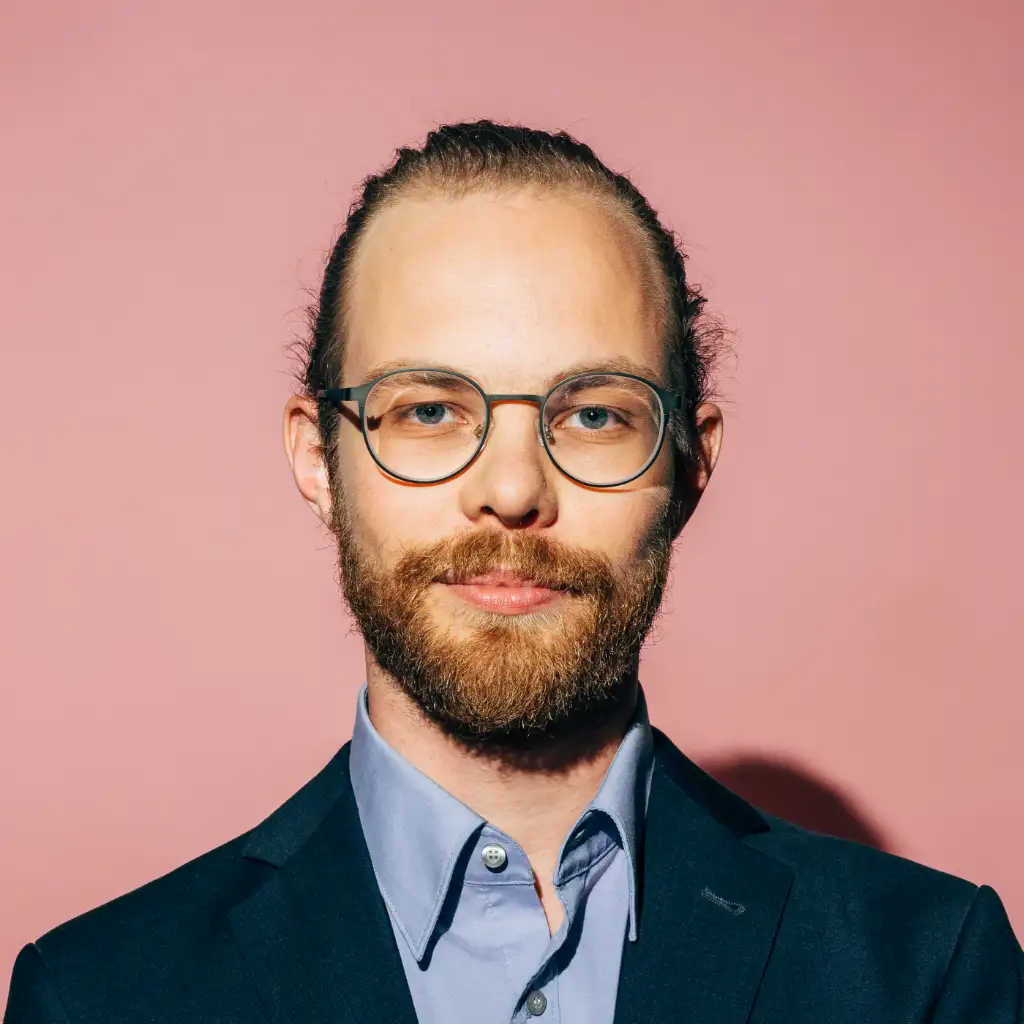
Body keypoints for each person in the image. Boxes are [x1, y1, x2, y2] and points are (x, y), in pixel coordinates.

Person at [5, 120, 1021, 1024]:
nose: (511, 490)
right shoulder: (100, 998)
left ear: (689, 465)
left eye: (595, 414)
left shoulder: (927, 973)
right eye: (428, 410)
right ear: (320, 460)